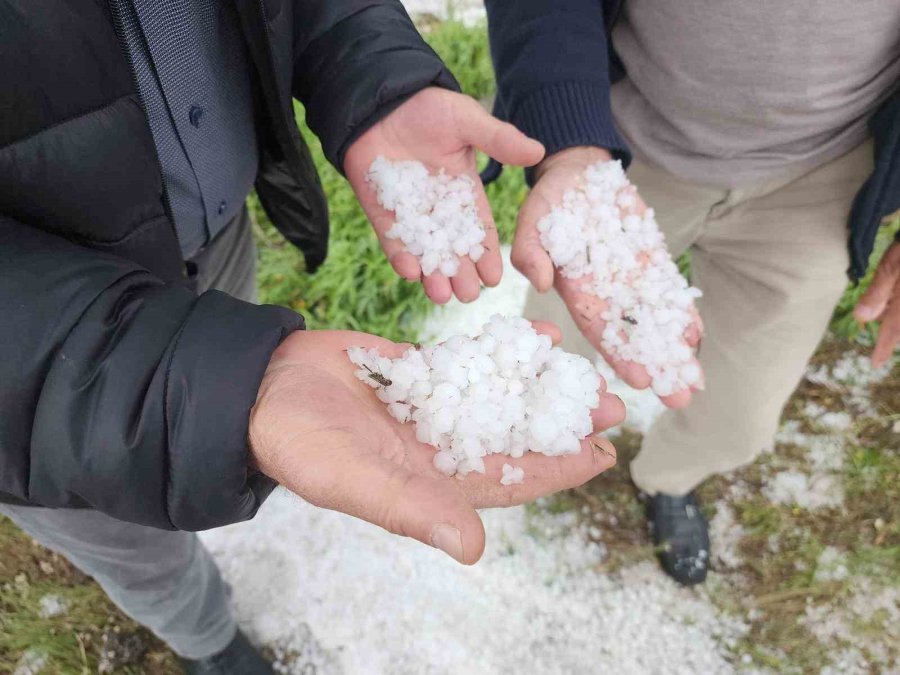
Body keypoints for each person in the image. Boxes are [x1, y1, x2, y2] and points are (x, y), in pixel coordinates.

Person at [0, 1, 623, 672]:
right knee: (130, 533)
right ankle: (207, 639)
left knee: (208, 438)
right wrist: (206, 391)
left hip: (212, 237)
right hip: (33, 370)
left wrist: (374, 74)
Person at [480, 0, 900, 585]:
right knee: (549, 343)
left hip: (826, 177)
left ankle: (668, 480)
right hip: (621, 131)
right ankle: (525, 438)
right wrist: (570, 140)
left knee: (738, 417)